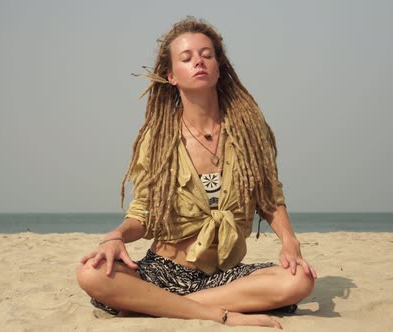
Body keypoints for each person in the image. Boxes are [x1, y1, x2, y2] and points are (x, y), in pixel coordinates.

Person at [76, 17, 317, 329]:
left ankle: (153, 307)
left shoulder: (246, 131)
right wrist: (115, 236)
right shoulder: (158, 138)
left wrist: (289, 240)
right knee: (91, 274)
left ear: (219, 66)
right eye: (186, 58)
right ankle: (212, 313)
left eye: (207, 55)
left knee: (298, 280)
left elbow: (269, 198)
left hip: (223, 277)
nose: (199, 62)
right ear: (171, 75)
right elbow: (143, 214)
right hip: (164, 271)